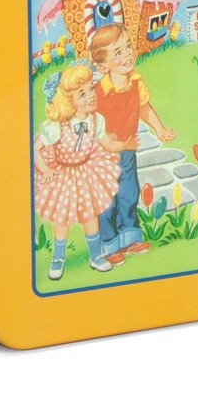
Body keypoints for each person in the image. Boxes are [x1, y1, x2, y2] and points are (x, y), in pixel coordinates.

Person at [34, 63, 137, 280]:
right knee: (61, 218)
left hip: (86, 173)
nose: (91, 95)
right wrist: (45, 169)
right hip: (63, 175)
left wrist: (124, 145)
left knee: (90, 215)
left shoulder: (96, 119)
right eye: (82, 94)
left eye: (91, 89)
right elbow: (34, 149)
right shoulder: (57, 126)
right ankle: (58, 257)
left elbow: (107, 143)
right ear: (68, 101)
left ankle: (96, 255)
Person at [90, 24, 176, 266]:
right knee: (107, 201)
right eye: (117, 52)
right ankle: (109, 244)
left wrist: (159, 128)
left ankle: (129, 237)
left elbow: (144, 108)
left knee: (129, 192)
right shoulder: (98, 92)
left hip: (127, 152)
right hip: (104, 157)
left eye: (128, 46)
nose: (127, 54)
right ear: (102, 66)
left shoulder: (136, 82)